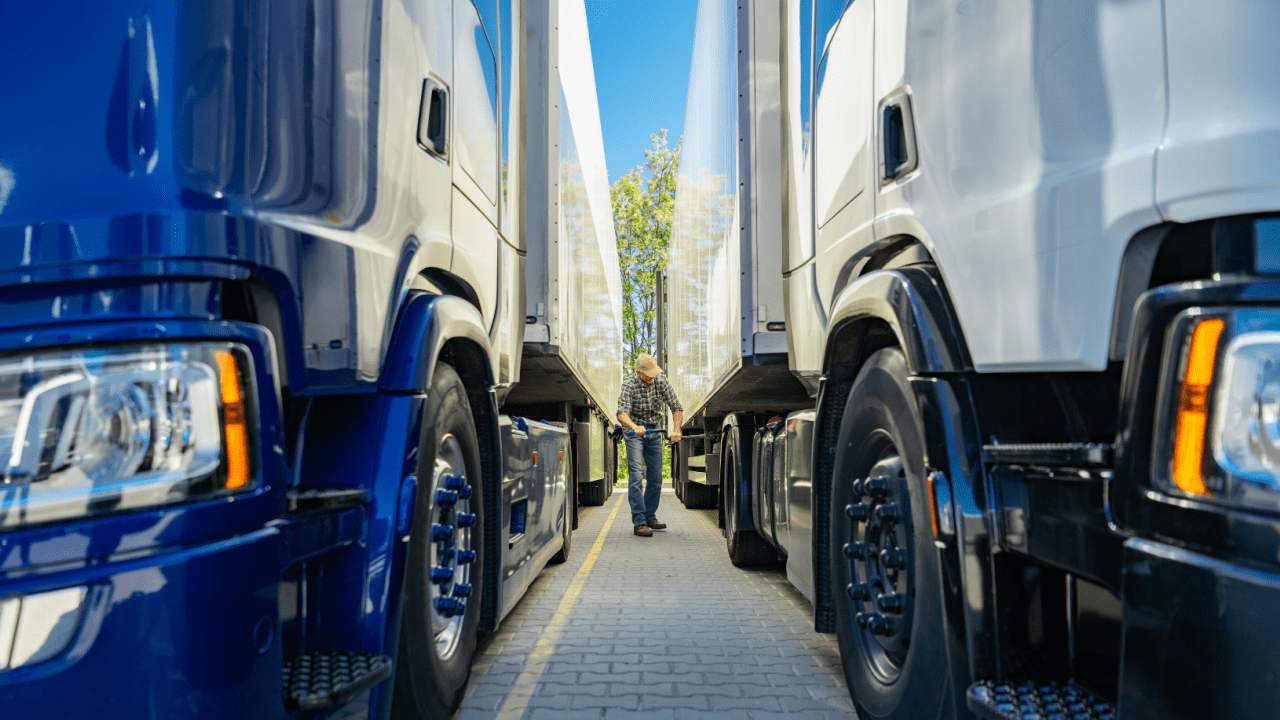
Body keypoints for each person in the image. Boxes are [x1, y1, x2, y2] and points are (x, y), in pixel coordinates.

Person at [616, 354, 683, 537]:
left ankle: (649, 515)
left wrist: (676, 429)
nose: (651, 377)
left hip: (654, 432)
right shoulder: (629, 384)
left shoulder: (660, 381)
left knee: (655, 477)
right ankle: (639, 522)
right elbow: (621, 414)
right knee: (636, 476)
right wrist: (634, 427)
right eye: (648, 375)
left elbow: (676, 407)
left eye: (654, 373)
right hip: (634, 433)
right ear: (639, 373)